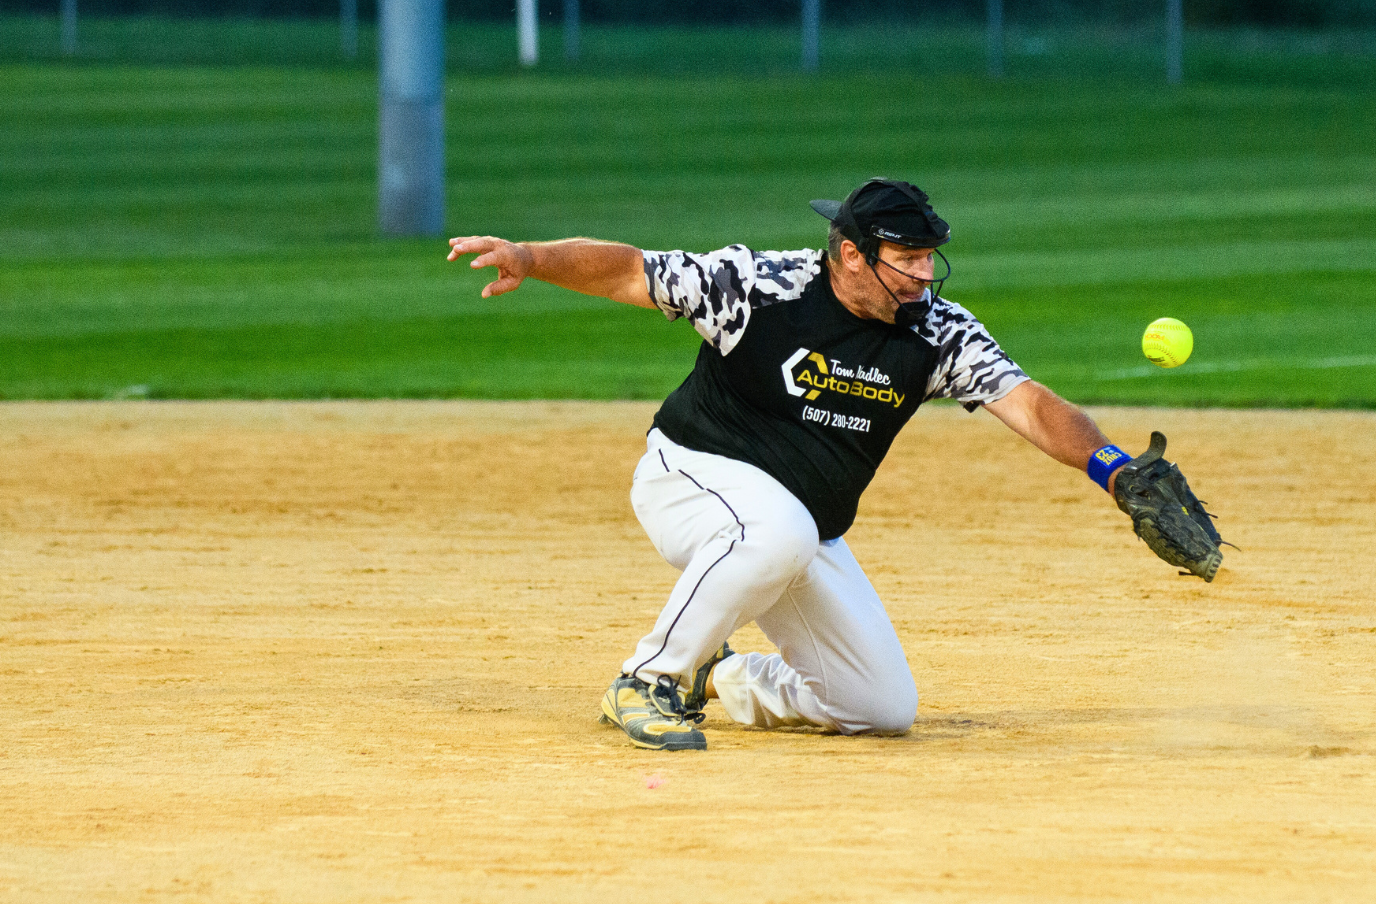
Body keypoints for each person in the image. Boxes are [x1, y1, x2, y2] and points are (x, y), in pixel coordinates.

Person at [447, 177, 1151, 752]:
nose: (923, 275)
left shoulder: (937, 332)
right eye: (906, 258)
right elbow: (633, 271)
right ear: (850, 254)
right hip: (691, 477)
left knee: (880, 707)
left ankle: (719, 679)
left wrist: (1113, 468)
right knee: (778, 531)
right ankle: (648, 678)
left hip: (795, 525)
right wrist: (531, 258)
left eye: (930, 257)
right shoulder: (759, 287)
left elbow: (1028, 404)